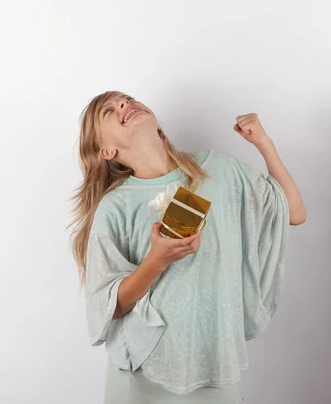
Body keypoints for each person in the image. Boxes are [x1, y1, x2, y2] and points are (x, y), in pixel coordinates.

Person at [70, 91, 306, 403]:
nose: (125, 105)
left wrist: (264, 143)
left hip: (215, 363)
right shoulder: (115, 207)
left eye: (126, 99)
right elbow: (109, 307)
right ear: (107, 151)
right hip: (145, 371)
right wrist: (157, 259)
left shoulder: (218, 169)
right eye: (109, 111)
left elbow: (295, 212)